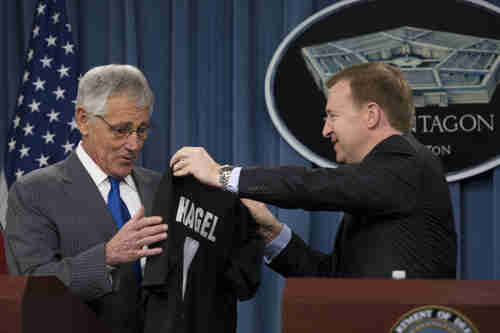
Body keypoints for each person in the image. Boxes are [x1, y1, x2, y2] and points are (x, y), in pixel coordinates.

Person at [169, 61, 457, 279]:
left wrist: (223, 175)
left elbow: (315, 185)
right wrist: (272, 233)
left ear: (371, 115)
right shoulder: (380, 181)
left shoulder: (406, 162)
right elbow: (332, 279)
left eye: (332, 116)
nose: (325, 129)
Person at [4, 64, 167, 333]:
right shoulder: (34, 192)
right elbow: (31, 288)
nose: (134, 144)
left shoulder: (157, 186)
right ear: (83, 120)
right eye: (121, 130)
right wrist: (106, 256)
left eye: (142, 129)